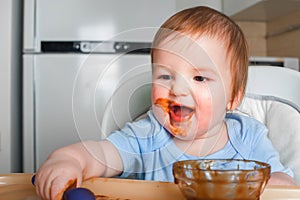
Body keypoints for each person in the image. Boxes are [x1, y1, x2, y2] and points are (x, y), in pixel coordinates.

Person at [35, 6, 295, 200]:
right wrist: (68, 160)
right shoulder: (147, 136)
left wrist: (265, 188)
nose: (178, 89)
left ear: (233, 98)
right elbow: (100, 155)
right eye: (166, 76)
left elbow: (285, 185)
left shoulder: (249, 138)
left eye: (199, 77)